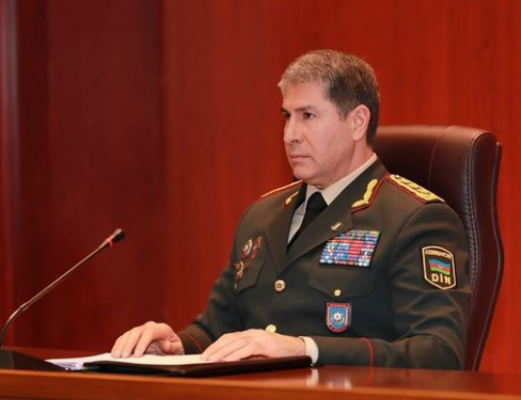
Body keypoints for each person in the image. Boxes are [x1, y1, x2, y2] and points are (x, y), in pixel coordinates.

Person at [111, 50, 471, 368]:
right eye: (287, 116)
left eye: (308, 116)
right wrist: (174, 346)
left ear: (357, 122)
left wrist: (305, 349)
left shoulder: (415, 218)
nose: (289, 135)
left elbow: (438, 353)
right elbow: (218, 328)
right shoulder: (261, 215)